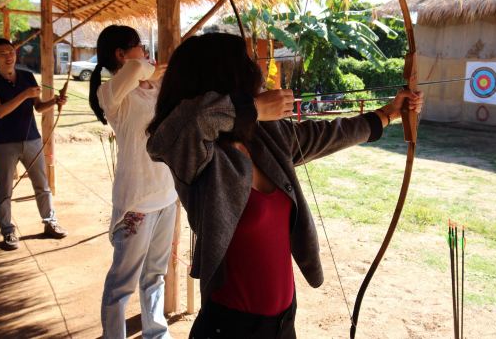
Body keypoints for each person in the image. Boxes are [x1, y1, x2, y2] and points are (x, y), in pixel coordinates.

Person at [146, 33, 423, 339]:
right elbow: (187, 122)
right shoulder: (196, 154)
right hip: (230, 326)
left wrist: (387, 114)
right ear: (225, 75)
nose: (255, 70)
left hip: (283, 322)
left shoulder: (263, 135)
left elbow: (326, 135)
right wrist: (252, 107)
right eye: (246, 62)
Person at [89, 25, 177, 339]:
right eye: (139, 45)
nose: (145, 52)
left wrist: (155, 74)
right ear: (120, 54)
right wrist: (149, 69)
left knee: (155, 275)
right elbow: (138, 68)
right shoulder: (110, 93)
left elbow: (160, 74)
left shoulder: (155, 86)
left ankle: (156, 333)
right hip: (137, 202)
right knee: (121, 284)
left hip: (167, 195)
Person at [0, 38, 68, 251]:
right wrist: (25, 94)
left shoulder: (27, 76)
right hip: (5, 143)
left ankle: (50, 222)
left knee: (42, 186)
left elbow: (38, 107)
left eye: (11, 51)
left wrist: (55, 101)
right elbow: (0, 111)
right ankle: (8, 231)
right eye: (2, 53)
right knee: (4, 190)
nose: (8, 56)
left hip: (32, 140)